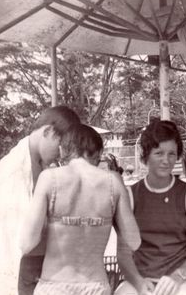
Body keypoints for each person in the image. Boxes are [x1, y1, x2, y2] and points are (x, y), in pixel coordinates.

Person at [19, 123, 141, 295]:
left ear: (62, 150)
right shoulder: (113, 182)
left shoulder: (49, 178)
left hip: (54, 286)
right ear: (98, 152)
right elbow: (134, 241)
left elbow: (26, 243)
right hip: (95, 286)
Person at [0, 105, 81, 295]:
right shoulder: (14, 170)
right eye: (61, 145)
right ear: (47, 131)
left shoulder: (39, 164)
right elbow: (20, 240)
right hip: (19, 270)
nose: (62, 154)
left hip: (40, 266)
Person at [115, 120, 186, 295]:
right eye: (159, 153)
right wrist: (139, 283)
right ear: (145, 156)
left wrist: (177, 277)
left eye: (172, 154)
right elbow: (123, 254)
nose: (166, 160)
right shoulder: (130, 196)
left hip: (181, 280)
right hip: (140, 279)